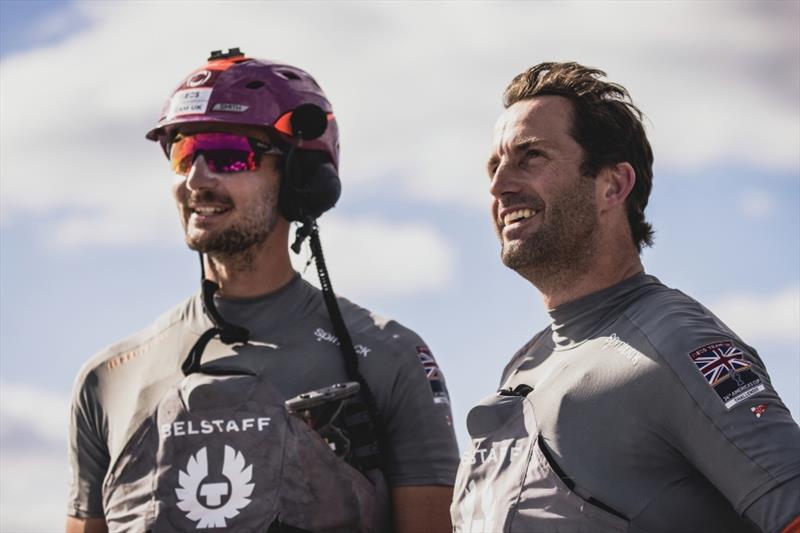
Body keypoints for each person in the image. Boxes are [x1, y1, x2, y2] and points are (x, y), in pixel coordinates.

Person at [66, 48, 459, 533]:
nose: (197, 179)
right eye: (184, 153)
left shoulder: (390, 357)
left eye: (230, 156)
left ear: (299, 179)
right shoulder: (106, 380)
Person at [450, 62, 800, 533]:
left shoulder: (676, 343)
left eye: (530, 157)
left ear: (613, 185)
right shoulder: (527, 363)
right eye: (495, 165)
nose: (499, 186)